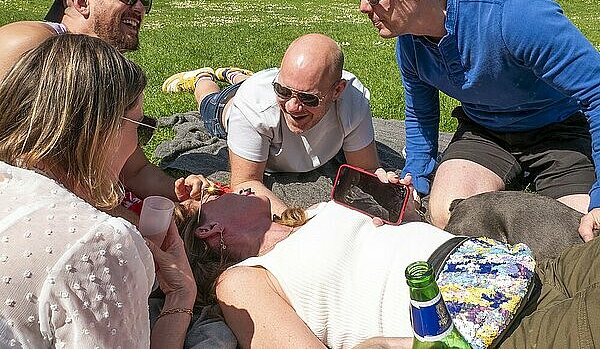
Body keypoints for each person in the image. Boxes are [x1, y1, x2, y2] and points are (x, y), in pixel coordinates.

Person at [349, 0, 600, 241]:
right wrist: (414, 181)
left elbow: (597, 89)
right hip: (485, 131)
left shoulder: (513, 13)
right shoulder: (410, 43)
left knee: (582, 235)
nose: (363, 7)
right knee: (445, 216)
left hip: (559, 130)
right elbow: (421, 114)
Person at [180, 191, 600, 349]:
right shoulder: (241, 281)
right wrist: (390, 345)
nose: (228, 187)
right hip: (474, 329)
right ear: (209, 229)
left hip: (529, 271)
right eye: (215, 197)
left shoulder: (311, 213)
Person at [0, 34, 197, 348]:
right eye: (140, 126)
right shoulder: (97, 244)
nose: (136, 145)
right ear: (100, 131)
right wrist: (181, 298)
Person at [0, 0, 181, 204]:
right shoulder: (29, 45)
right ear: (81, 1)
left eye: (143, 0)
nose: (140, 7)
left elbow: (134, 170)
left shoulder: (102, 69)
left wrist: (191, 196)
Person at [162, 33, 381, 214]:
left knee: (257, 88)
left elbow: (365, 170)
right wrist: (296, 225)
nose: (293, 106)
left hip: (260, 88)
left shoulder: (353, 100)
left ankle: (236, 75)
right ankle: (203, 78)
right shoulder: (254, 106)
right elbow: (245, 183)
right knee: (210, 103)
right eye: (283, 91)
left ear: (337, 90)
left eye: (308, 98)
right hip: (228, 109)